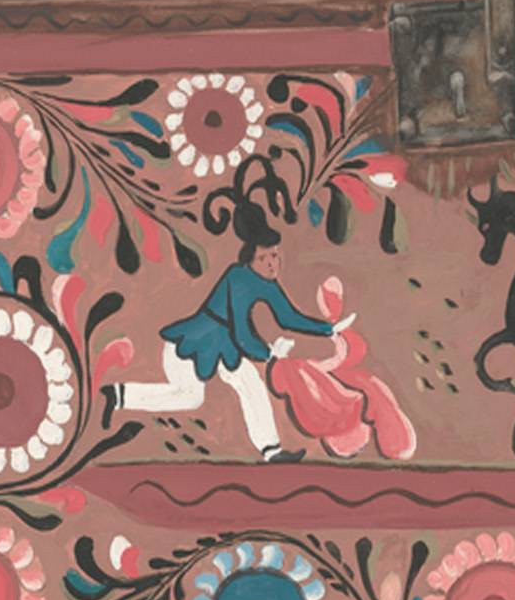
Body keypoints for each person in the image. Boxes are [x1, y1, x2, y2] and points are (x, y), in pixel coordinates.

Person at [114, 156, 352, 461]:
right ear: (250, 258)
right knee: (191, 396)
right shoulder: (238, 278)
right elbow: (240, 330)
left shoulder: (267, 282)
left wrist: (327, 329)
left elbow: (287, 316)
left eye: (275, 255)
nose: (272, 263)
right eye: (264, 257)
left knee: (247, 384)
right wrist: (269, 354)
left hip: (222, 345)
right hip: (196, 343)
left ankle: (271, 450)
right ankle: (118, 395)